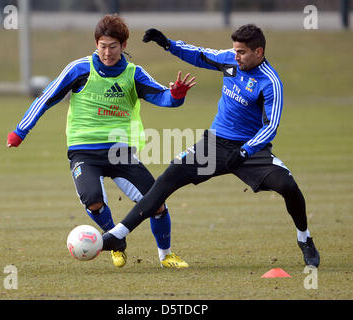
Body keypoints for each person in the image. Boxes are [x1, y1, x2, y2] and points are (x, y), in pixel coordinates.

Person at [100, 24, 320, 268]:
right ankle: (117, 235)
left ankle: (304, 238)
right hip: (214, 144)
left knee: (287, 185)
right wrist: (167, 44)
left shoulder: (269, 82)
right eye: (235, 50)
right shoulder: (229, 61)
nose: (236, 56)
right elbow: (200, 55)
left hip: (249, 150)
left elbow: (271, 127)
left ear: (259, 52)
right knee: (167, 179)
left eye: (242, 52)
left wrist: (246, 151)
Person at [6, 14, 196, 269]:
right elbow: (46, 97)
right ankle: (115, 242)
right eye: (102, 46)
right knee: (93, 201)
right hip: (83, 151)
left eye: (113, 47)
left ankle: (166, 255)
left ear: (124, 46)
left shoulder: (133, 73)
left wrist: (176, 95)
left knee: (157, 203)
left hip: (120, 152)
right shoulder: (79, 69)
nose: (107, 52)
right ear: (96, 44)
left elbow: (162, 97)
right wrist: (20, 131)